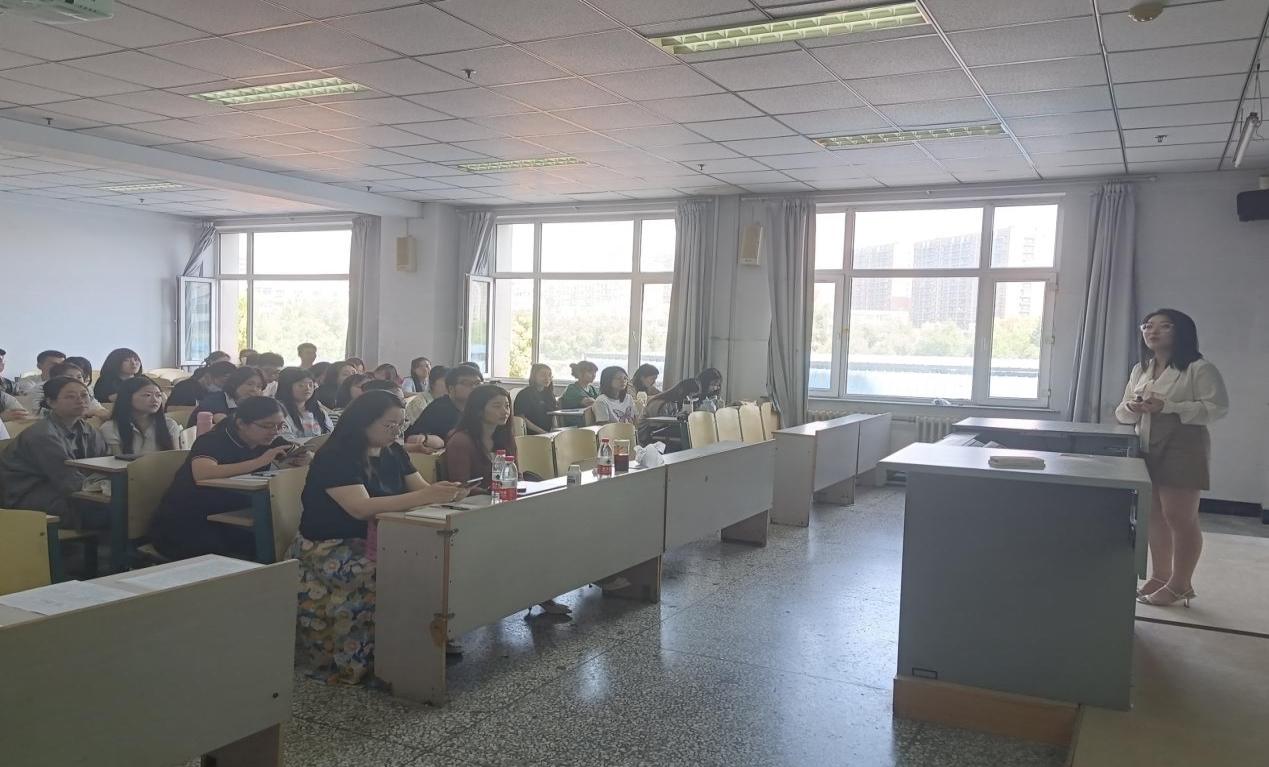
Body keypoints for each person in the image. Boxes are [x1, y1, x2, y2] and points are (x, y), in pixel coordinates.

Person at [289, 390, 469, 683]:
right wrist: (426, 496)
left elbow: (420, 490)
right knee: (393, 573)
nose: (396, 431)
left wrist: (447, 492)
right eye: (389, 425)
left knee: (440, 561)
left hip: (385, 534)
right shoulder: (335, 456)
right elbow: (360, 508)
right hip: (332, 544)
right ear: (363, 422)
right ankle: (364, 660)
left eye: (401, 424)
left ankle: (422, 641)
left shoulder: (394, 451)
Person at [1116, 309, 1228, 608]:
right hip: (1146, 443)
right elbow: (1122, 412)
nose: (1152, 331)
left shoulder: (1198, 368)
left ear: (1181, 332)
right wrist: (1132, 407)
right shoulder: (1141, 369)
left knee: (1179, 517)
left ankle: (1181, 583)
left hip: (1184, 444)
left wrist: (1169, 406)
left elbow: (1217, 408)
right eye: (1147, 326)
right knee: (1153, 514)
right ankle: (1160, 575)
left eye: (1164, 326)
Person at [445, 385, 570, 616]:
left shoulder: (504, 437)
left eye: (507, 406)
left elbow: (517, 476)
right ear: (479, 410)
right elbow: (460, 487)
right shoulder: (460, 441)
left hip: (505, 504)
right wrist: (494, 492)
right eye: (496, 406)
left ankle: (542, 592)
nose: (505, 411)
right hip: (475, 510)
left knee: (549, 529)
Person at [152, 397, 310, 560]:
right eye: (266, 426)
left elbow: (299, 451)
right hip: (187, 521)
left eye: (280, 425)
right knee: (260, 548)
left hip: (232, 514)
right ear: (241, 424)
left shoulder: (270, 439)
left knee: (279, 541)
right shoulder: (212, 440)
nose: (275, 431)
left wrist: (303, 457)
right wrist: (260, 461)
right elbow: (203, 473)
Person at [0, 377, 109, 527]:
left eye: (84, 395)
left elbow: (104, 465)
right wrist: (104, 492)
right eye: (70, 396)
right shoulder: (42, 434)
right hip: (30, 495)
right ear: (51, 402)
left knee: (123, 506)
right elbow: (66, 478)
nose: (80, 400)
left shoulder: (89, 430)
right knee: (112, 512)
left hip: (68, 491)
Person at [99, 376, 181, 456]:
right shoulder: (110, 428)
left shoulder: (169, 424)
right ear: (127, 397)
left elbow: (176, 458)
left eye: (158, 395)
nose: (155, 400)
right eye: (147, 395)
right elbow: (116, 462)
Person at [405, 365, 481, 440]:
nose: (474, 387)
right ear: (451, 389)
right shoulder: (440, 408)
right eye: (466, 383)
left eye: (477, 383)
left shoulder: (478, 407)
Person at [189, 366, 265, 426]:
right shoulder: (215, 402)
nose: (254, 389)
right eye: (249, 384)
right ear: (235, 383)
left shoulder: (249, 405)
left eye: (259, 387)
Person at [276, 367, 332, 441]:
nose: (307, 388)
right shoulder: (278, 410)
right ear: (287, 387)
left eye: (310, 384)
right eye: (301, 385)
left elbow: (331, 434)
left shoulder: (318, 409)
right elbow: (285, 440)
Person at [40, 361, 108, 417]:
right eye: (69, 377)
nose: (76, 380)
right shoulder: (51, 399)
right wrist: (91, 412)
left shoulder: (87, 395)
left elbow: (102, 411)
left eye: (79, 377)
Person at [169, 360, 236, 407]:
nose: (222, 387)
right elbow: (171, 409)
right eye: (222, 382)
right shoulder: (186, 387)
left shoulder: (219, 393)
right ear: (208, 377)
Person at [514, 363, 557, 435]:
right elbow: (521, 418)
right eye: (543, 375)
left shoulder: (549, 394)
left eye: (549, 375)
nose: (547, 378)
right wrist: (543, 432)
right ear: (534, 377)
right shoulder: (524, 394)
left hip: (548, 433)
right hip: (531, 434)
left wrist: (555, 429)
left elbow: (553, 414)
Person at [559, 361, 598, 426]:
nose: (594, 375)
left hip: (590, 421)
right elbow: (589, 402)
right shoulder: (572, 388)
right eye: (590, 372)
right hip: (576, 423)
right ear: (579, 373)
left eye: (595, 372)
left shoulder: (592, 389)